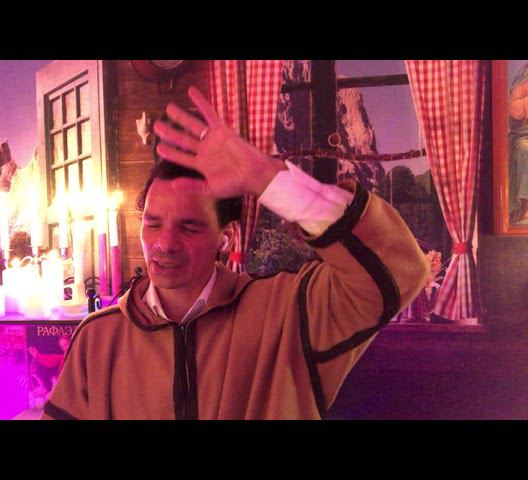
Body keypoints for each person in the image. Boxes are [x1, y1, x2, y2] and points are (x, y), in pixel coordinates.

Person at [41, 86, 428, 420]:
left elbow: (398, 270)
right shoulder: (98, 337)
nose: (164, 243)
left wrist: (266, 177)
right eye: (153, 223)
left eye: (188, 227)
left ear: (226, 238)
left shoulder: (288, 313)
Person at [509, 63, 528, 223]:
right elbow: (515, 111)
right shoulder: (523, 81)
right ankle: (524, 206)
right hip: (523, 135)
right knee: (525, 150)